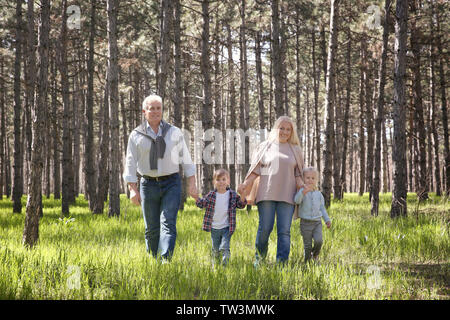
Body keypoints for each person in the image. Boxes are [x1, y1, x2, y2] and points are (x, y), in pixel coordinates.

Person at [123, 94, 198, 262]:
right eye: (152, 108)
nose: (155, 111)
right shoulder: (136, 135)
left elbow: (186, 160)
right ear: (144, 111)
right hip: (148, 184)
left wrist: (192, 184)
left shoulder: (174, 132)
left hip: (171, 183)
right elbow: (130, 163)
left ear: (162, 110)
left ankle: (165, 261)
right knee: (151, 228)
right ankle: (153, 260)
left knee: (168, 223)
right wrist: (132, 189)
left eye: (158, 108)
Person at [238, 116, 305, 266]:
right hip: (266, 193)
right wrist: (246, 183)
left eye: (288, 129)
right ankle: (259, 261)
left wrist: (302, 184)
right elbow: (256, 170)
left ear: (292, 132)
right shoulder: (264, 146)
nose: (285, 132)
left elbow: (298, 173)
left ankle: (282, 264)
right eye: (282, 128)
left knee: (284, 232)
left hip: (288, 195)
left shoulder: (295, 150)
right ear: (276, 128)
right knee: (265, 229)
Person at [194, 169, 247, 266]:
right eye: (218, 180)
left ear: (228, 181)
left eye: (223, 179)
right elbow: (202, 203)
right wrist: (195, 197)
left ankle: (225, 267)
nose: (221, 182)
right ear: (214, 182)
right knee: (215, 249)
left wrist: (242, 194)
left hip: (227, 227)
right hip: (214, 228)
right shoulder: (211, 195)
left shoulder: (232, 194)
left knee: (224, 247)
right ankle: (215, 267)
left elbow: (241, 205)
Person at [293, 167, 331, 263]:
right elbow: (296, 200)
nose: (310, 180)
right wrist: (303, 192)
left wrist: (327, 220)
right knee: (307, 245)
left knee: (319, 241)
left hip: (317, 222)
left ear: (316, 180)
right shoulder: (302, 191)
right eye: (308, 178)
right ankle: (307, 262)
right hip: (305, 223)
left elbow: (322, 208)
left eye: (313, 178)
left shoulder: (319, 194)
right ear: (303, 179)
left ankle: (315, 254)